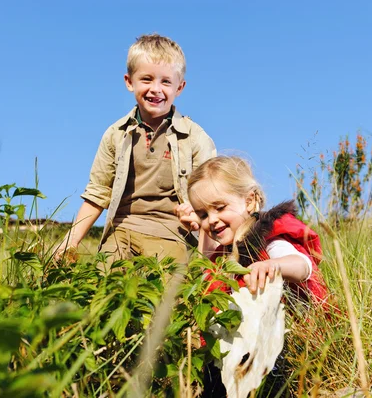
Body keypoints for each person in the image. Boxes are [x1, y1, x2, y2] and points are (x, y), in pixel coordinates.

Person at [54, 34, 216, 268]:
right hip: (123, 230)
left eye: (166, 82)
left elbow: (212, 195)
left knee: (168, 293)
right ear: (129, 82)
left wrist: (195, 212)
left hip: (172, 232)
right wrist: (69, 242)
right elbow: (97, 194)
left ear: (179, 87)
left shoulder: (195, 137)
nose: (155, 89)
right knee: (104, 282)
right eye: (147, 79)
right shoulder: (115, 134)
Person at [176, 155, 328, 303]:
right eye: (203, 215)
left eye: (220, 208)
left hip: (288, 324)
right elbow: (206, 274)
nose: (212, 220)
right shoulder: (223, 253)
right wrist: (200, 228)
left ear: (249, 201)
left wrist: (271, 265)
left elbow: (302, 265)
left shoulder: (266, 238)